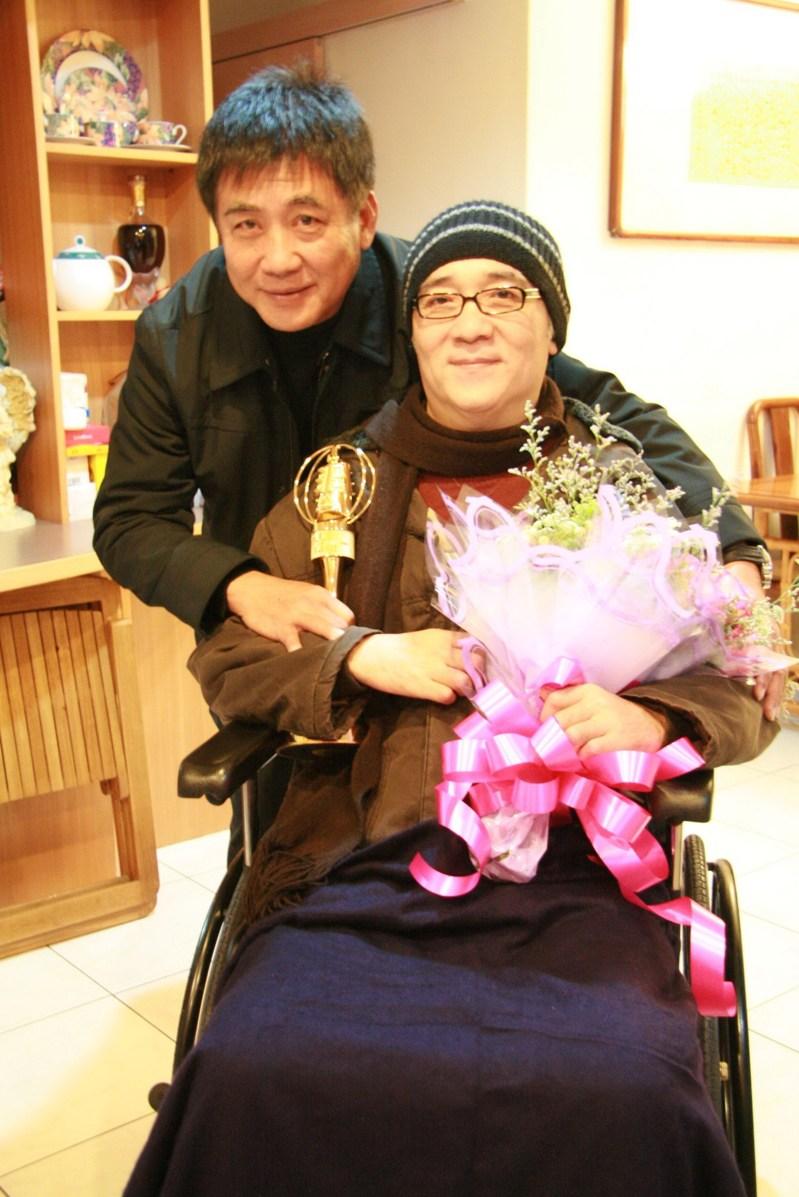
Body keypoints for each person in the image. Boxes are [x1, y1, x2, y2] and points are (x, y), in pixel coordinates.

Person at [123, 200, 776, 1197]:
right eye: (439, 300)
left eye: (503, 295)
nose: (469, 323)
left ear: (550, 330)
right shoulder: (337, 489)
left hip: (581, 874)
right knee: (254, 1062)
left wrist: (654, 718)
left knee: (628, 1085)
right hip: (361, 854)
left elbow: (743, 675)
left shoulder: (631, 491)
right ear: (414, 335)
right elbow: (231, 657)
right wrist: (358, 657)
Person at [92, 64, 773, 674]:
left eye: (306, 221)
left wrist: (736, 550)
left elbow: (606, 409)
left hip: (417, 644)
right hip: (268, 647)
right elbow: (129, 519)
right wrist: (241, 585)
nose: (277, 258)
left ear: (363, 217)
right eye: (246, 226)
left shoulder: (430, 300)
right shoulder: (176, 335)